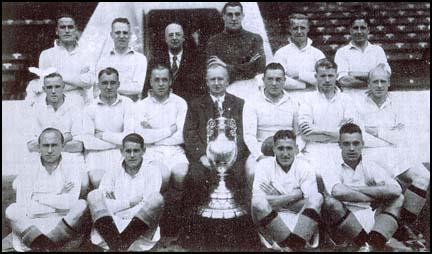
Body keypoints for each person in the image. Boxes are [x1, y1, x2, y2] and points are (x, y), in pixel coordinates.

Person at [356, 64, 430, 245]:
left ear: (389, 83)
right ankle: (391, 231)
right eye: (375, 82)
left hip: (396, 153)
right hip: (371, 155)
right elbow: (360, 137)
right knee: (392, 189)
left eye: (383, 81)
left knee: (424, 177)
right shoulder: (356, 104)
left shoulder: (398, 103)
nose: (379, 85)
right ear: (368, 84)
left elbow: (401, 137)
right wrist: (387, 133)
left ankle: (402, 225)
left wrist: (375, 130)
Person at [320, 123, 404, 251]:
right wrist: (374, 197)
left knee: (399, 198)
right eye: (346, 144)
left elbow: (396, 189)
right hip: (344, 218)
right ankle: (366, 243)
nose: (352, 148)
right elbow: (338, 192)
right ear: (339, 145)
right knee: (331, 202)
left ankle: (371, 244)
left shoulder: (370, 163)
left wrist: (352, 189)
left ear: (362, 144)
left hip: (372, 214)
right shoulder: (330, 162)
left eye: (356, 143)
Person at [183, 62, 249, 219]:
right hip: (205, 157)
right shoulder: (195, 104)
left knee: (241, 176)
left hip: (233, 157)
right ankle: (199, 226)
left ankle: (238, 225)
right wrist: (202, 156)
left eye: (221, 79)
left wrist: (232, 157)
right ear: (207, 82)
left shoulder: (239, 104)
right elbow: (190, 133)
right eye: (213, 79)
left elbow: (243, 132)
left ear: (227, 81)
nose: (217, 83)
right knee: (195, 177)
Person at [6, 128, 87, 252]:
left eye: (54, 145)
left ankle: (42, 246)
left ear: (62, 146)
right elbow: (24, 205)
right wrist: (59, 195)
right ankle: (48, 247)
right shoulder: (28, 165)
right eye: (45, 146)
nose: (49, 150)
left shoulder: (73, 164)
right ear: (39, 147)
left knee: (81, 205)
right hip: (33, 224)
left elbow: (70, 203)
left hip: (63, 223)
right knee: (12, 210)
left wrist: (37, 196)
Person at [134, 64, 188, 237]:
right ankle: (158, 222)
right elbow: (143, 137)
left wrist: (154, 131)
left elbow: (180, 136)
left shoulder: (180, 103)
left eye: (165, 79)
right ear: (150, 81)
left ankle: (175, 222)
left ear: (171, 81)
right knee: (162, 175)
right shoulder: (140, 106)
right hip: (152, 151)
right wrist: (168, 130)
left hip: (176, 150)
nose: (161, 83)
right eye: (156, 80)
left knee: (181, 174)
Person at [87, 133, 165, 251]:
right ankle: (120, 247)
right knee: (94, 195)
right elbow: (102, 203)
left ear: (144, 151)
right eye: (128, 151)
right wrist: (129, 203)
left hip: (140, 231)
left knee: (156, 198)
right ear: (121, 151)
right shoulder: (112, 171)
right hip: (111, 230)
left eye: (136, 151)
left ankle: (118, 247)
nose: (132, 155)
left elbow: (149, 207)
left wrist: (118, 209)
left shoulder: (152, 171)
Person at [251, 130, 322, 251]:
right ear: (274, 149)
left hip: (302, 221)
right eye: (281, 148)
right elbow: (258, 204)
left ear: (296, 149)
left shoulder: (305, 166)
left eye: (289, 148)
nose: (285, 153)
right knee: (257, 201)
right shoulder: (263, 165)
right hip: (272, 223)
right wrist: (295, 195)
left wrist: (277, 198)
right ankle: (295, 246)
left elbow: (312, 204)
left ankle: (291, 247)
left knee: (317, 197)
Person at [24, 72, 88, 195]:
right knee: (19, 186)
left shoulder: (76, 108)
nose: (53, 91)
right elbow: (31, 146)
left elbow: (78, 145)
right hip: (43, 158)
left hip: (70, 157)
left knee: (83, 183)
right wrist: (66, 137)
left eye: (57, 87)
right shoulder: (35, 109)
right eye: (49, 87)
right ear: (43, 89)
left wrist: (46, 145)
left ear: (63, 87)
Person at [243, 63, 299, 189]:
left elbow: (299, 133)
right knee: (253, 172)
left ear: (284, 80)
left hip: (288, 150)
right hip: (261, 150)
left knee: (309, 171)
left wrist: (295, 151)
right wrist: (260, 156)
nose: (274, 83)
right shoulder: (252, 102)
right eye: (270, 79)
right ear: (263, 80)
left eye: (278, 79)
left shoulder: (294, 102)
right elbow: (249, 135)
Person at [298, 58, 358, 171]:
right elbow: (306, 135)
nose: (327, 80)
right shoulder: (306, 99)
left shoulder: (347, 99)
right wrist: (338, 131)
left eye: (330, 76)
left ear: (336, 76)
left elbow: (350, 134)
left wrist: (317, 130)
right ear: (316, 77)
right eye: (322, 76)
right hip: (313, 150)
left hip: (340, 149)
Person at [81, 67, 134, 189]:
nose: (109, 87)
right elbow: (88, 142)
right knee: (100, 181)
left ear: (118, 84)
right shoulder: (89, 108)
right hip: (96, 155)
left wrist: (103, 135)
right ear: (98, 85)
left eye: (113, 83)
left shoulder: (127, 103)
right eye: (105, 83)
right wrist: (118, 142)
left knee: (124, 182)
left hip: (120, 153)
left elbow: (130, 137)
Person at [206, 2, 265, 101]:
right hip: (225, 90)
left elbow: (259, 67)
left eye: (237, 14)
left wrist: (226, 66)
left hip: (249, 90)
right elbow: (214, 70)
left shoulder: (255, 38)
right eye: (230, 14)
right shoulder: (214, 41)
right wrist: (248, 64)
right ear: (223, 16)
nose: (234, 18)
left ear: (242, 16)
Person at [34, 13, 93, 108]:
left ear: (75, 30)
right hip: (56, 106)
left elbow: (89, 82)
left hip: (80, 105)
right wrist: (78, 81)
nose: (67, 31)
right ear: (57, 31)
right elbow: (45, 85)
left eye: (70, 27)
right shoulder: (46, 55)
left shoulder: (86, 53)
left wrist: (59, 75)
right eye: (63, 27)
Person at [142, 23, 205, 103]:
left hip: (189, 108)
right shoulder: (156, 61)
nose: (174, 38)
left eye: (178, 34)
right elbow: (147, 89)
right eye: (171, 35)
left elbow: (202, 91)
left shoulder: (196, 60)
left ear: (183, 38)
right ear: (166, 39)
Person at [96, 17, 147, 101]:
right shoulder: (103, 59)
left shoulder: (140, 59)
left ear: (130, 35)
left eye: (125, 33)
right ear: (111, 35)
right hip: (108, 107)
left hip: (132, 107)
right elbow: (98, 87)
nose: (122, 36)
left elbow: (139, 88)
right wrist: (128, 86)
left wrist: (109, 87)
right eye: (117, 33)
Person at [335, 16, 391, 89]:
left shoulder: (378, 50)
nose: (359, 31)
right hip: (350, 98)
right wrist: (373, 79)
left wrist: (354, 74)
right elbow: (343, 80)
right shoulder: (342, 52)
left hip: (373, 98)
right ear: (350, 30)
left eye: (363, 28)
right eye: (355, 28)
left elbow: (385, 75)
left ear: (368, 30)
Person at [273, 13, 325, 90]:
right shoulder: (281, 53)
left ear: (308, 29)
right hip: (290, 98)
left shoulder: (317, 54)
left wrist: (299, 75)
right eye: (295, 28)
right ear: (290, 29)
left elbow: (324, 79)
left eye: (302, 28)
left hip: (313, 98)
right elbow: (278, 80)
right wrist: (306, 85)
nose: (299, 31)